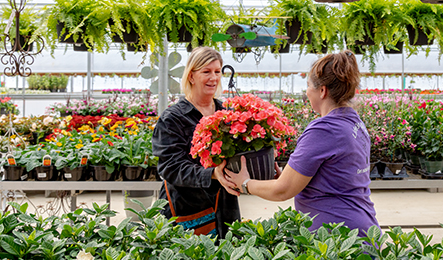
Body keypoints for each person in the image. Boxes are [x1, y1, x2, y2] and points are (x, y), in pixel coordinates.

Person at [222, 50, 379, 234]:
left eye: (308, 86)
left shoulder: (324, 129)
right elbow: (337, 178)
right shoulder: (355, 123)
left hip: (339, 236)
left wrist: (246, 183)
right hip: (363, 227)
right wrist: (289, 177)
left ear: (322, 91)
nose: (306, 93)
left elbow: (282, 191)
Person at [152, 47, 240, 238]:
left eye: (217, 72)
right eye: (206, 72)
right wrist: (211, 174)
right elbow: (170, 167)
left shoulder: (226, 115)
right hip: (186, 208)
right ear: (191, 76)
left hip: (225, 207)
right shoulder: (173, 118)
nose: (213, 78)